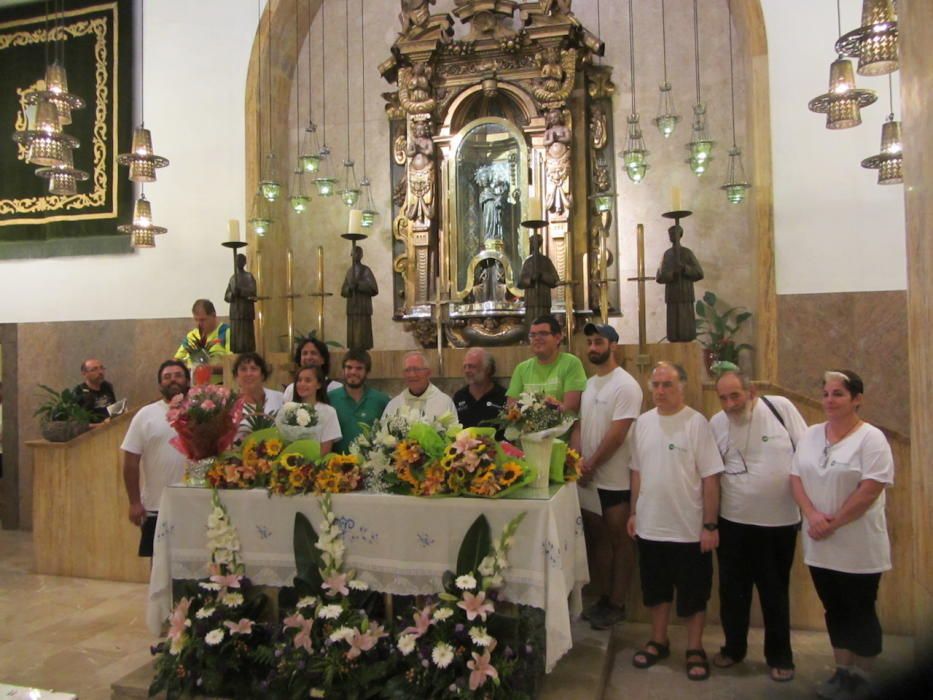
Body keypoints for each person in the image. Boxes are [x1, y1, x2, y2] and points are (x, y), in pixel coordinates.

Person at [790, 370, 894, 700]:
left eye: (838, 394)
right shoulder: (811, 434)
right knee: (834, 609)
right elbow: (795, 478)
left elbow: (870, 490)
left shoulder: (871, 439)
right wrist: (812, 515)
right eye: (826, 394)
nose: (829, 401)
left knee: (860, 609)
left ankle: (863, 677)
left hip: (857, 545)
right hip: (820, 543)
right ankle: (842, 671)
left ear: (857, 399)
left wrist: (831, 523)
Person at [709, 370, 808, 682]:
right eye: (723, 398)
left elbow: (805, 455)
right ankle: (733, 648)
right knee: (733, 592)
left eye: (734, 396)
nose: (729, 404)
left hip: (779, 524)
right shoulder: (716, 423)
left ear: (750, 391)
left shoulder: (780, 408)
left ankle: (780, 656)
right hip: (733, 523)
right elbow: (709, 474)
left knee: (774, 592)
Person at [627, 362, 724, 681]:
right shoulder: (641, 423)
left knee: (694, 593)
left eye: (667, 384)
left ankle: (694, 647)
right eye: (655, 385)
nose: (660, 391)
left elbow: (710, 478)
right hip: (651, 524)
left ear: (681, 386)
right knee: (655, 590)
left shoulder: (696, 423)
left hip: (688, 528)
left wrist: (710, 525)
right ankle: (659, 640)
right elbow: (637, 472)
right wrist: (634, 512)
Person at [571, 323, 642, 630]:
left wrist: (592, 463)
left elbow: (618, 434)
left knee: (619, 539)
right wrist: (577, 462)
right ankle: (602, 597)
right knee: (598, 537)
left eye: (598, 342)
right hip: (589, 475)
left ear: (613, 346)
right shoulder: (589, 385)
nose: (592, 348)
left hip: (614, 477)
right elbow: (579, 426)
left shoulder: (625, 386)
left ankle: (617, 602)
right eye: (589, 343)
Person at [121, 360, 190, 558]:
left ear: (187, 380)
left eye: (178, 375)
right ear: (160, 385)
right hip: (157, 505)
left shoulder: (202, 410)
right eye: (167, 377)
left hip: (195, 501)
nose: (173, 380)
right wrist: (134, 502)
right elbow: (130, 462)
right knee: (160, 568)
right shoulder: (146, 415)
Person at [506, 314, 586, 413]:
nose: (536, 338)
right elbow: (511, 408)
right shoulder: (521, 368)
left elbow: (570, 408)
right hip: (527, 427)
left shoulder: (571, 363)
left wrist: (540, 407)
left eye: (543, 334)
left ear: (557, 338)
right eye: (532, 335)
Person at [328, 349, 390, 453]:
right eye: (349, 367)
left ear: (368, 372)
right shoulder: (330, 399)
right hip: (337, 465)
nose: (353, 372)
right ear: (343, 370)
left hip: (372, 465)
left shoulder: (382, 400)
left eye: (359, 368)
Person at [655, 222, 704, 342]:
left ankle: (687, 337)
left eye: (674, 233)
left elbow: (699, 273)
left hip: (685, 293)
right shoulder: (668, 254)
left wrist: (685, 268)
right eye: (670, 234)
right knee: (673, 327)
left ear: (680, 235)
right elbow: (660, 277)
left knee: (685, 324)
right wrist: (673, 273)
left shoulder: (687, 253)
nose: (672, 236)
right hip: (672, 294)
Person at [384, 351, 456, 421]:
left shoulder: (444, 402)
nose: (412, 375)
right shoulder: (394, 405)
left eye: (416, 369)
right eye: (407, 370)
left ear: (428, 372)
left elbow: (453, 431)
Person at [173, 299, 231, 383]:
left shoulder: (226, 332)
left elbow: (232, 364)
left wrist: (204, 369)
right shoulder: (192, 336)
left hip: (220, 386)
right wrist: (188, 369)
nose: (199, 324)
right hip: (194, 387)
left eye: (203, 320)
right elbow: (176, 360)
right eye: (196, 320)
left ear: (214, 316)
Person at [291, 365, 342, 456]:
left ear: (319, 384)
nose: (302, 384)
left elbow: (325, 449)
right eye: (299, 380)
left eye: (308, 380)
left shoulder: (328, 412)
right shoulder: (289, 410)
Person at [233, 352, 283, 442]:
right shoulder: (230, 404)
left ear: (262, 375)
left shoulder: (280, 398)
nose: (248, 373)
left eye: (253, 369)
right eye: (243, 369)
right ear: (237, 376)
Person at [453, 348, 507, 431]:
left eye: (472, 366)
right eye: (465, 367)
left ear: (488, 369)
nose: (467, 371)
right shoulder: (459, 397)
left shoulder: (503, 397)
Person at [341, 245, 378, 351]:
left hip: (363, 308)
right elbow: (343, 290)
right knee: (353, 337)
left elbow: (374, 288)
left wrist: (359, 285)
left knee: (362, 337)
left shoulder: (366, 271)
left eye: (357, 253)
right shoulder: (349, 271)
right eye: (353, 253)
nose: (354, 255)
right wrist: (349, 288)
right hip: (352, 308)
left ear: (361, 255)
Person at [283, 336, 341, 401]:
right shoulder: (291, 389)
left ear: (323, 359)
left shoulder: (337, 388)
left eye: (313, 353)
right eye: (304, 353)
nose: (308, 357)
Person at [517, 235, 560, 323]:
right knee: (531, 325)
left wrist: (542, 276)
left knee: (544, 325)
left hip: (543, 300)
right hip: (531, 301)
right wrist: (531, 279)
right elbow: (520, 282)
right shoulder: (527, 261)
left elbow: (555, 280)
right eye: (532, 243)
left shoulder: (546, 261)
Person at [224, 253, 257, 353]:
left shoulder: (249, 277)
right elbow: (226, 296)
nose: (238, 263)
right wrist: (232, 294)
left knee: (246, 338)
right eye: (237, 261)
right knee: (236, 337)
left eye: (241, 261)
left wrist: (241, 291)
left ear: (244, 262)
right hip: (235, 311)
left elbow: (253, 293)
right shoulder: (233, 278)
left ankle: (247, 351)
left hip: (246, 311)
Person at [73, 358, 116, 423]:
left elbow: (114, 406)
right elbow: (81, 424)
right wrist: (102, 424)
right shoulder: (79, 392)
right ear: (84, 374)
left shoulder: (107, 386)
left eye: (102, 368)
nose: (100, 372)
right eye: (94, 369)